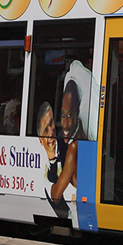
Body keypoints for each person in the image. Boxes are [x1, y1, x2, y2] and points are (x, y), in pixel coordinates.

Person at [47, 80, 83, 218]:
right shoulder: (70, 140)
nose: (65, 125)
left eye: (70, 116)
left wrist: (44, 178)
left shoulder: (74, 147)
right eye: (62, 115)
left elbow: (55, 195)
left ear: (77, 113)